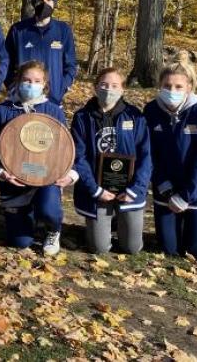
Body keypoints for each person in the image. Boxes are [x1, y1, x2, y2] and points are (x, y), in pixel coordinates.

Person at [0, 60, 77, 256]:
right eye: (26, 80)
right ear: (17, 81)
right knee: (20, 242)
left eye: (37, 81)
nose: (31, 84)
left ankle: (53, 229)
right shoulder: (3, 111)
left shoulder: (53, 111)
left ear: (45, 84)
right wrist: (0, 172)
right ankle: (28, 217)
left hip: (45, 178)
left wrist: (67, 173)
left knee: (49, 211)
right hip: (14, 180)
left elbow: (65, 147)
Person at [143, 57, 197, 259]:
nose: (172, 90)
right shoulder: (151, 111)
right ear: (160, 85)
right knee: (169, 250)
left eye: (179, 86)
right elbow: (150, 155)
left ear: (189, 87)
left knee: (194, 251)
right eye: (167, 85)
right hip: (167, 190)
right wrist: (166, 189)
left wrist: (186, 196)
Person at [70, 67, 152, 254]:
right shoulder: (82, 117)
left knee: (132, 248)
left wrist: (135, 189)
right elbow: (79, 157)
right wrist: (95, 189)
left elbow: (146, 156)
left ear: (123, 89)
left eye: (115, 85)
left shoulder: (135, 116)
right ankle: (103, 224)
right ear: (95, 87)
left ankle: (119, 221)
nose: (109, 90)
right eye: (104, 85)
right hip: (99, 190)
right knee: (100, 248)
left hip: (128, 189)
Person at [3, 0, 77, 107]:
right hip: (22, 100)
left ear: (54, 4)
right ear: (33, 2)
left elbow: (70, 65)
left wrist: (62, 87)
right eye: (40, 0)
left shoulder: (63, 30)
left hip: (53, 100)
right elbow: (6, 63)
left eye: (49, 0)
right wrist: (12, 87)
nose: (44, 3)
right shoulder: (18, 30)